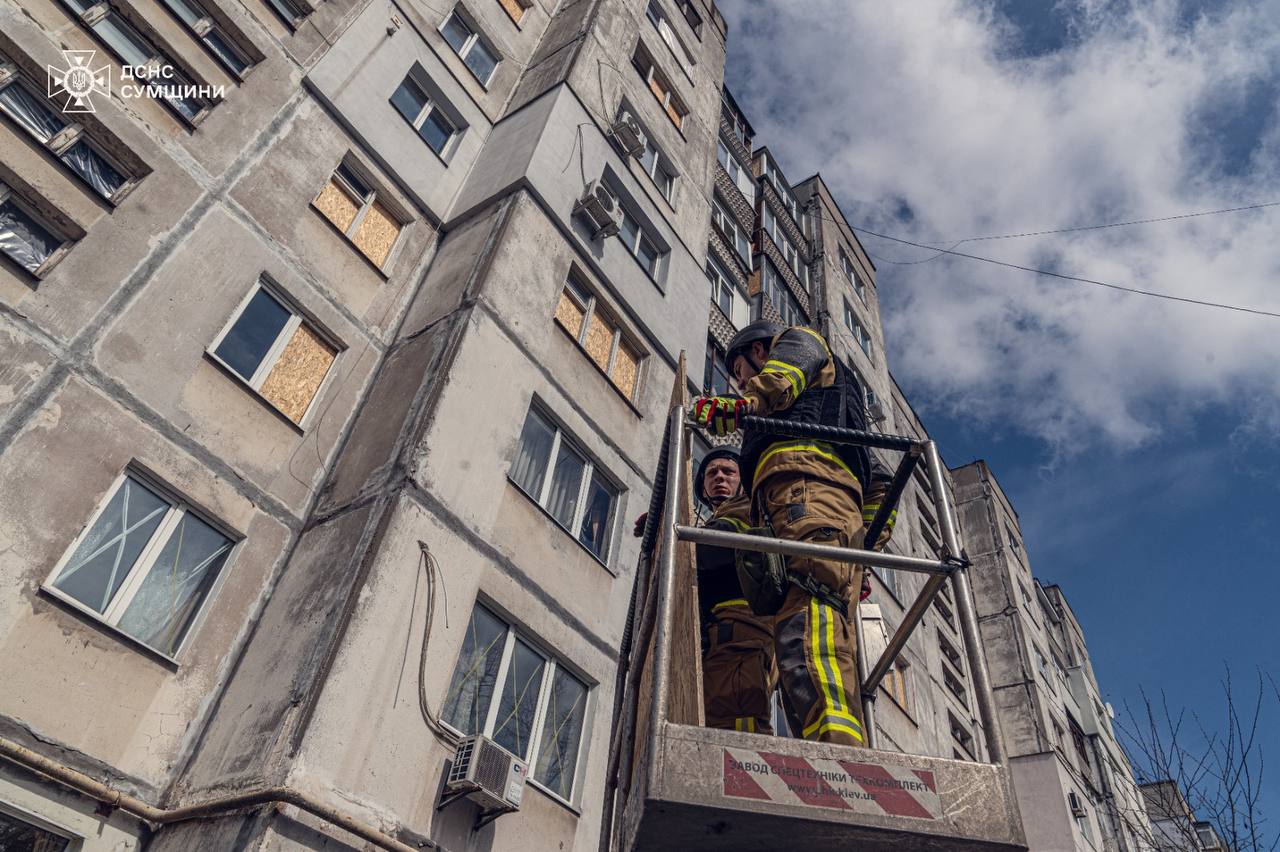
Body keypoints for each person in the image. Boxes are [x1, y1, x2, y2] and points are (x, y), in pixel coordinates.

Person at [690, 320, 895, 747]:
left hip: (806, 492)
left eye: (742, 370)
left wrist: (739, 404)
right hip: (804, 501)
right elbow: (879, 480)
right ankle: (821, 747)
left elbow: (783, 376)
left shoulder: (799, 343)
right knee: (799, 630)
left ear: (760, 351)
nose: (741, 381)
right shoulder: (833, 410)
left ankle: (837, 748)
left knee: (809, 612)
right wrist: (863, 544)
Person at [633, 447, 776, 734]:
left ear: (743, 480)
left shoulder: (748, 508)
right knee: (720, 715)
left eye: (728, 472)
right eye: (711, 473)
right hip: (724, 633)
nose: (719, 478)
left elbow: (711, 550)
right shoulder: (718, 519)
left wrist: (670, 532)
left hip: (740, 629)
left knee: (736, 718)